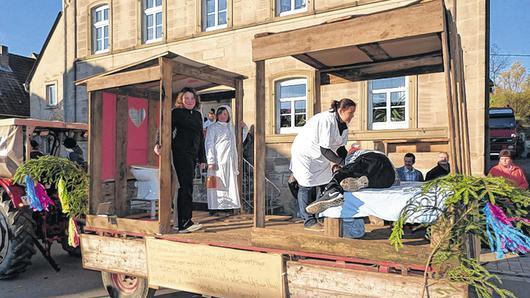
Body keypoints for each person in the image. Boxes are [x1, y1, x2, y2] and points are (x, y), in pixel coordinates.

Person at [290, 98, 356, 231]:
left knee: (326, 183)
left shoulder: (343, 126)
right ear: (341, 110)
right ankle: (308, 221)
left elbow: (340, 148)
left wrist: (349, 161)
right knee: (306, 187)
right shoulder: (326, 120)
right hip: (305, 155)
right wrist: (341, 162)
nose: (352, 116)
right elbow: (325, 149)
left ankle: (319, 215)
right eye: (350, 113)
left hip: (320, 158)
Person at [154, 87, 207, 233]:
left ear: (195, 100)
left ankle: (186, 220)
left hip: (192, 155)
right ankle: (182, 223)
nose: (189, 101)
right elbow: (164, 128)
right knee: (184, 186)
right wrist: (158, 143)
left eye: (192, 98)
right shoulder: (176, 113)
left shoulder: (197, 115)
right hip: (180, 152)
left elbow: (200, 137)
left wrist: (202, 158)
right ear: (181, 100)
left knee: (188, 187)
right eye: (186, 98)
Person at [306, 147, 397, 215]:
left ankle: (332, 192)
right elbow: (396, 178)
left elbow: (348, 168)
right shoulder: (380, 154)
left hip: (368, 159)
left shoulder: (354, 154)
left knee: (342, 173)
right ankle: (364, 182)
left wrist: (339, 172)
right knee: (383, 180)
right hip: (387, 172)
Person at [205, 105, 241, 213]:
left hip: (229, 160)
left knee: (229, 184)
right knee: (216, 184)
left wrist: (244, 129)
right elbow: (209, 144)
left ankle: (229, 207)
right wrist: (211, 160)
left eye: (225, 114)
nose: (222, 116)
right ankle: (215, 207)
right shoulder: (213, 127)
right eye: (220, 114)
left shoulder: (231, 127)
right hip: (218, 160)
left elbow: (238, 141)